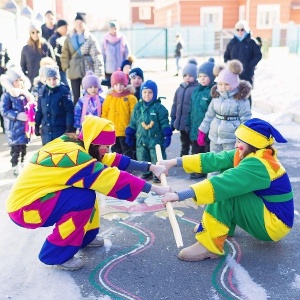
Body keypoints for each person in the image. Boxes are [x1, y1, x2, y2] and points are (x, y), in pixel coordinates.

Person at [5, 115, 169, 270]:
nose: (106, 150)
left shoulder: (73, 143)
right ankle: (56, 254)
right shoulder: (76, 158)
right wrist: (156, 189)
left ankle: (84, 237)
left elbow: (112, 159)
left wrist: (150, 167)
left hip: (34, 199)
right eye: (104, 146)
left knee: (85, 192)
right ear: (93, 142)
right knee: (83, 197)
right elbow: (113, 179)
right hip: (26, 208)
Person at [159, 118, 294, 262]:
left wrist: (179, 195)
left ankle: (210, 246)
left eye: (240, 142)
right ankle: (223, 228)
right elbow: (215, 159)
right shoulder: (251, 154)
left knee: (224, 191)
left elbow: (221, 184)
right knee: (227, 172)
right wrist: (173, 162)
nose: (236, 145)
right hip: (267, 212)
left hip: (274, 224)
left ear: (252, 143)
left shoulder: (259, 165)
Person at [198, 59, 252, 160]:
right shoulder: (216, 97)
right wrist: (202, 130)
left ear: (234, 84)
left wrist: (244, 138)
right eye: (220, 84)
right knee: (214, 161)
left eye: (227, 84)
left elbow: (246, 119)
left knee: (230, 163)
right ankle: (213, 176)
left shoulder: (240, 100)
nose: (223, 87)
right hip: (215, 136)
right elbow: (209, 115)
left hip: (232, 138)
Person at [125, 80, 172, 183]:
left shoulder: (159, 108)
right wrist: (129, 134)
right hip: (141, 139)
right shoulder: (138, 107)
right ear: (141, 92)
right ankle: (146, 173)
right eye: (145, 92)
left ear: (154, 94)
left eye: (150, 92)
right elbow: (133, 121)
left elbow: (164, 122)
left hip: (155, 139)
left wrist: (167, 134)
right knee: (142, 157)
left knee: (156, 158)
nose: (147, 95)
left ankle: (158, 174)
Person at [61, 12, 105, 105]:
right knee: (75, 94)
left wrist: (99, 72)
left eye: (81, 23)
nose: (79, 25)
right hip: (73, 69)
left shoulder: (90, 38)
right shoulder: (69, 38)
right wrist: (65, 67)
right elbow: (65, 53)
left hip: (87, 68)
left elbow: (97, 55)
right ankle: (77, 114)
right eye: (77, 23)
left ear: (84, 24)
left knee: (88, 93)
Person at [0, 67, 35, 176]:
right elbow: (4, 110)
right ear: (11, 82)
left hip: (24, 127)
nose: (19, 83)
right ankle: (15, 165)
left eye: (20, 80)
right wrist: (17, 115)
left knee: (23, 148)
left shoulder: (25, 94)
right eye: (16, 80)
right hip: (14, 128)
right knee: (15, 150)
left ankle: (22, 162)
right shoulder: (7, 95)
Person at [186, 57, 215, 179]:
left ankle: (206, 170)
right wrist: (187, 123)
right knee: (196, 151)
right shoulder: (196, 91)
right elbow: (191, 109)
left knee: (206, 151)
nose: (202, 79)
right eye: (200, 76)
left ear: (212, 77)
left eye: (205, 76)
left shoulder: (213, 91)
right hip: (195, 128)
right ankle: (198, 169)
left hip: (207, 130)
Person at [224, 20, 262, 107]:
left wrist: (250, 66)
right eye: (238, 30)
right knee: (234, 93)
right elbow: (226, 56)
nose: (240, 32)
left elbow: (258, 55)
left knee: (246, 93)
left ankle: (247, 114)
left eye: (242, 29)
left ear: (246, 30)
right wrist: (230, 66)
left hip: (247, 74)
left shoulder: (252, 42)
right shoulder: (232, 43)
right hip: (234, 74)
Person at [35, 66, 74, 145]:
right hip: (46, 130)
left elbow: (69, 111)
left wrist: (69, 127)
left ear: (58, 79)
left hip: (60, 129)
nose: (52, 81)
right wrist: (37, 125)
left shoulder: (63, 92)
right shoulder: (42, 92)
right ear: (46, 80)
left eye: (54, 79)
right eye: (49, 79)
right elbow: (39, 111)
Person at [101, 70, 137, 158]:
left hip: (125, 131)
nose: (119, 87)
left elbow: (134, 114)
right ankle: (118, 167)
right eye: (116, 85)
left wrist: (131, 128)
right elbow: (105, 113)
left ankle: (128, 167)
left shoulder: (130, 98)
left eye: (121, 84)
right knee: (115, 151)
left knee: (127, 150)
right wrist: (105, 127)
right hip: (113, 131)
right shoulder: (109, 97)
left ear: (125, 84)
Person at [170, 58, 199, 157]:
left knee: (193, 142)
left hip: (191, 124)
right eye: (185, 75)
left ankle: (192, 159)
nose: (187, 78)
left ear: (195, 76)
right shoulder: (179, 89)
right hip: (181, 123)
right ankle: (183, 157)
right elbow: (175, 105)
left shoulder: (196, 89)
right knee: (184, 142)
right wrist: (173, 119)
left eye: (190, 76)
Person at [20, 22, 56, 86]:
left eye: (37, 32)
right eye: (33, 32)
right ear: (30, 34)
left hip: (47, 80)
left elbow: (53, 62)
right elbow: (23, 66)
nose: (35, 34)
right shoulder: (25, 49)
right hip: (32, 80)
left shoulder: (46, 46)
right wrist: (26, 79)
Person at [101, 20, 130, 87]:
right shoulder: (105, 41)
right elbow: (102, 56)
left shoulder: (123, 40)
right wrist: (103, 69)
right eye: (112, 29)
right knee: (111, 88)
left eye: (115, 29)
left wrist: (125, 66)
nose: (114, 30)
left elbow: (127, 54)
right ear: (109, 29)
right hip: (109, 70)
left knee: (121, 87)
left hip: (120, 69)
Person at [49, 19, 69, 86]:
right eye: (65, 27)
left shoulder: (64, 38)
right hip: (58, 69)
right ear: (59, 28)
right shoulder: (54, 39)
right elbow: (53, 55)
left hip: (64, 69)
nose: (67, 29)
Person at [0, 42, 10, 133]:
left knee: (3, 101)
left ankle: (4, 126)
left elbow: (8, 59)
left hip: (1, 78)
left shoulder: (2, 46)